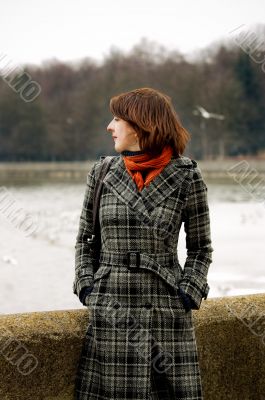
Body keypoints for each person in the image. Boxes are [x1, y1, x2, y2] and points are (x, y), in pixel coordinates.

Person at [73, 87, 213, 399]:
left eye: (117, 119)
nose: (110, 126)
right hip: (110, 310)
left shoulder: (187, 175)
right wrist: (86, 284)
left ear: (140, 124)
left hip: (166, 312)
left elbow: (201, 247)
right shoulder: (102, 171)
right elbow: (85, 239)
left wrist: (189, 292)